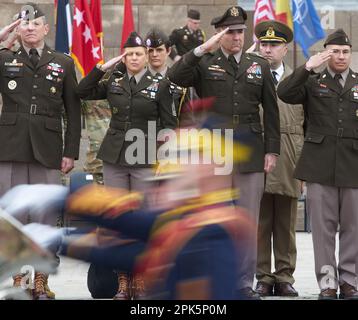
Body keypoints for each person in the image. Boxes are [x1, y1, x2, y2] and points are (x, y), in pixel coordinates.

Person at [168, 6, 280, 299]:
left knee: (247, 220)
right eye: (230, 32)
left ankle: (243, 283)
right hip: (213, 153)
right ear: (220, 34)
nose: (237, 37)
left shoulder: (259, 65)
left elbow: (271, 112)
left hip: (250, 152)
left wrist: (272, 151)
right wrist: (202, 48)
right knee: (211, 218)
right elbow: (174, 76)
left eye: (241, 32)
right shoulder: (205, 63)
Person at [76, 31, 177, 299]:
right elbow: (82, 91)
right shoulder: (114, 82)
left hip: (144, 157)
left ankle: (141, 280)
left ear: (146, 57)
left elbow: (169, 123)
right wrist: (102, 68)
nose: (134, 58)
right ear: (124, 56)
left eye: (139, 54)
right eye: (129, 53)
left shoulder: (161, 83)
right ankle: (123, 281)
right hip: (115, 157)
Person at [0, 4, 81, 299]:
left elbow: (74, 112)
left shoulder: (63, 62)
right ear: (17, 29)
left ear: (47, 29)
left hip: (47, 148)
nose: (30, 27)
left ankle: (42, 279)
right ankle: (18, 277)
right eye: (24, 23)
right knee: (12, 215)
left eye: (36, 23)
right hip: (9, 146)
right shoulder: (5, 58)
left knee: (46, 214)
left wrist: (71, 150)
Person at [277, 29, 358, 300]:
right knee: (322, 230)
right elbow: (284, 92)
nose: (341, 56)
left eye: (345, 51)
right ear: (326, 53)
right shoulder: (313, 81)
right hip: (319, 165)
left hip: (353, 166)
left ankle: (349, 281)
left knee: (353, 227)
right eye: (335, 51)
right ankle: (327, 283)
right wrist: (307, 68)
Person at [252, 20, 304, 297]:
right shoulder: (250, 77)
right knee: (260, 222)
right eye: (264, 44)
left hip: (289, 157)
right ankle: (263, 275)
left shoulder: (299, 81)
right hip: (256, 155)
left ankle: (284, 275)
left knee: (285, 223)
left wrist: (306, 168)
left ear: (286, 49)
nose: (268, 50)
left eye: (274, 45)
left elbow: (309, 126)